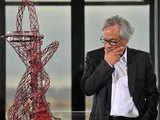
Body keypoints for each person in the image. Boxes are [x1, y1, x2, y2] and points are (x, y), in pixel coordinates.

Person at [81, 15, 159, 120]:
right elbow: (87, 89)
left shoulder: (142, 59)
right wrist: (107, 64)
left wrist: (148, 117)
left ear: (125, 40)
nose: (107, 45)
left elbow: (152, 94)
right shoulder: (94, 57)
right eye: (105, 40)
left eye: (112, 41)